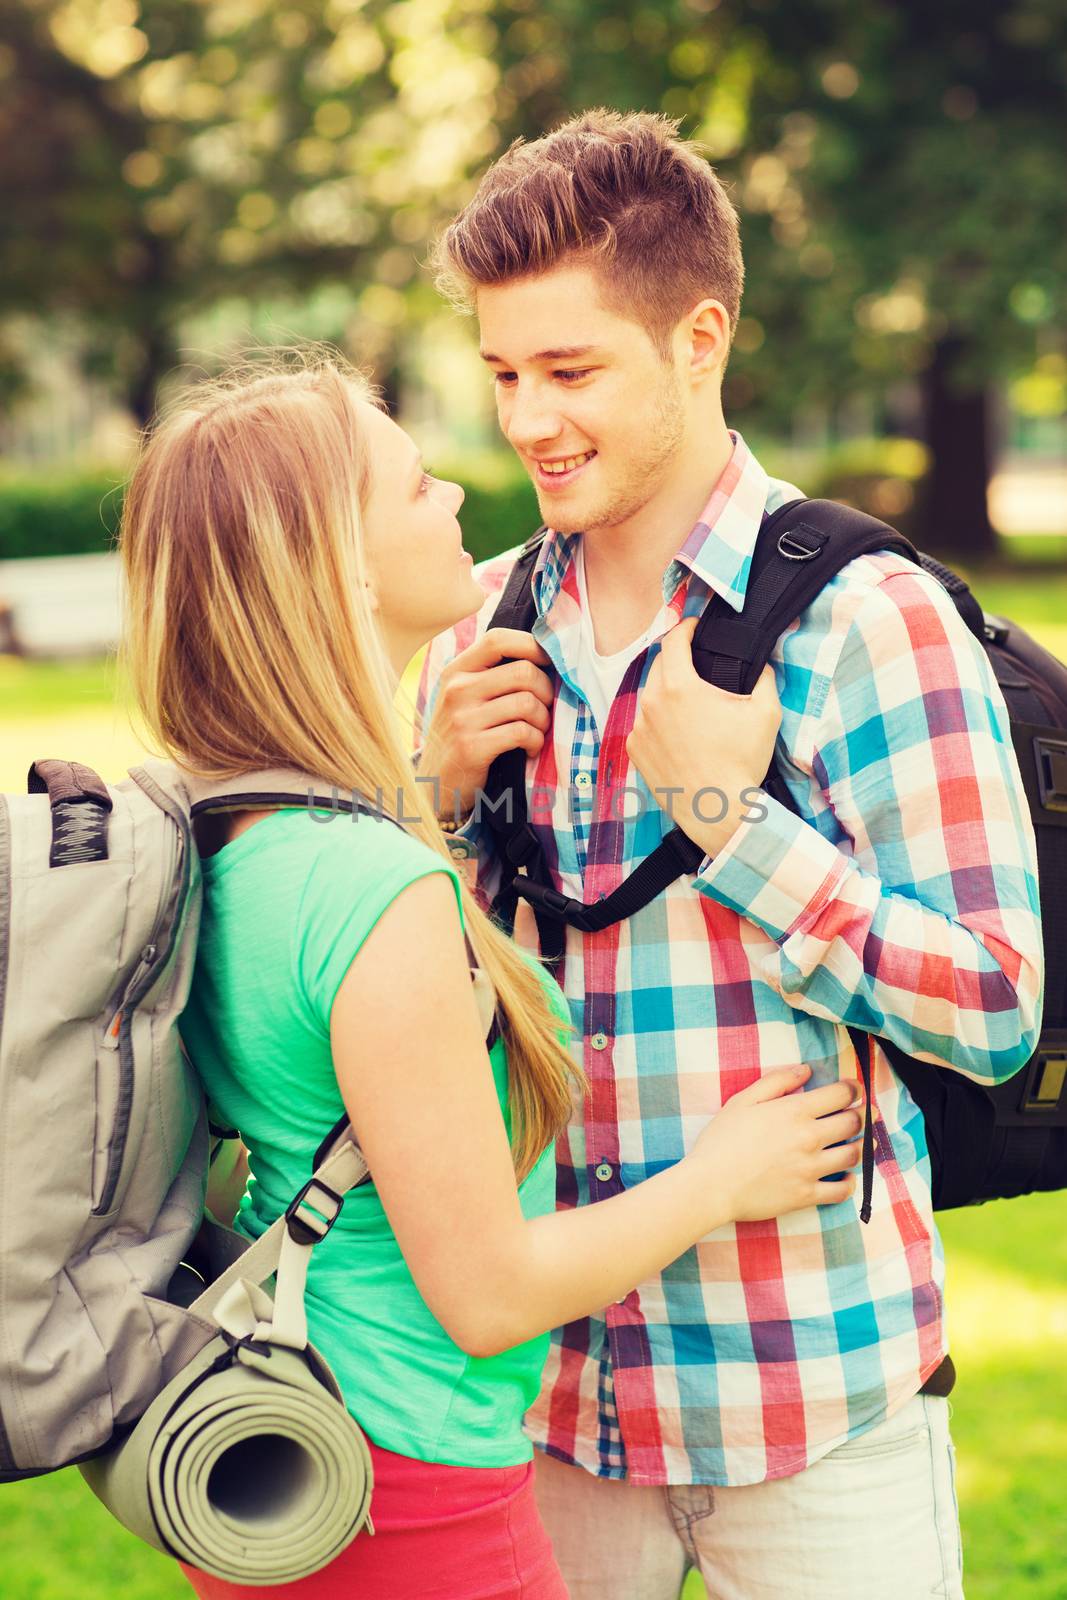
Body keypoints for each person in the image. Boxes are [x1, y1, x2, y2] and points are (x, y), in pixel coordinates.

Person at [415, 110, 1044, 1600]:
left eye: (570, 371)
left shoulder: (865, 617)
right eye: (503, 373)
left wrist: (729, 823)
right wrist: (433, 805)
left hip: (815, 1402)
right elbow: (425, 1024)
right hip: (554, 1403)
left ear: (697, 340)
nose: (526, 421)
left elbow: (995, 1005)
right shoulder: (480, 633)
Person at [118, 353, 866, 1600]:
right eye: (415, 487)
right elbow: (487, 1294)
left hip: (286, 1439)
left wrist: (433, 794)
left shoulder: (235, 830)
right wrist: (723, 1178)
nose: (460, 498)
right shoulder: (374, 891)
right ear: (340, 569)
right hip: (408, 1496)